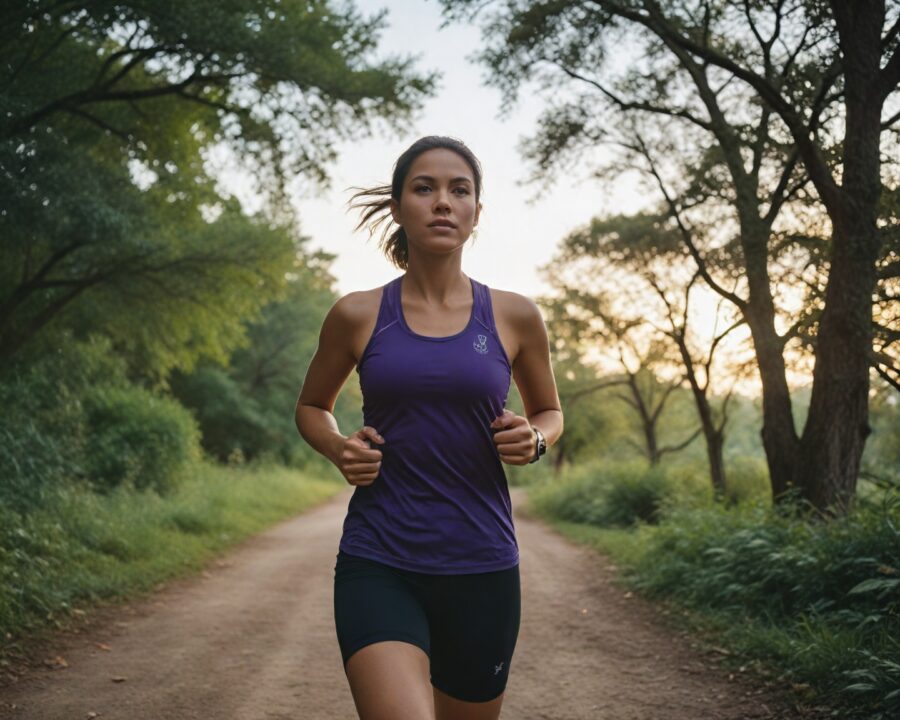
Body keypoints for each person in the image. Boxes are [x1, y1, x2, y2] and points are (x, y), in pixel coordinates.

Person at [294, 135, 563, 720]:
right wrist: (340, 448)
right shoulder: (358, 313)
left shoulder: (515, 315)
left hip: (484, 566)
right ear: (398, 206)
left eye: (458, 190)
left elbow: (551, 412)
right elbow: (312, 406)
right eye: (425, 188)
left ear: (475, 213)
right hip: (380, 558)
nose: (442, 201)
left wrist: (535, 438)